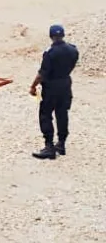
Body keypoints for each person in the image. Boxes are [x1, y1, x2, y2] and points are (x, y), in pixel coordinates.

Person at [30, 25, 80, 160]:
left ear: (51, 36)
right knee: (62, 113)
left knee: (46, 114)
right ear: (63, 35)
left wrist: (33, 86)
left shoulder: (50, 53)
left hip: (51, 87)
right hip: (65, 84)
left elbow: (42, 74)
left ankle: (49, 147)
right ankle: (61, 144)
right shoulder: (73, 50)